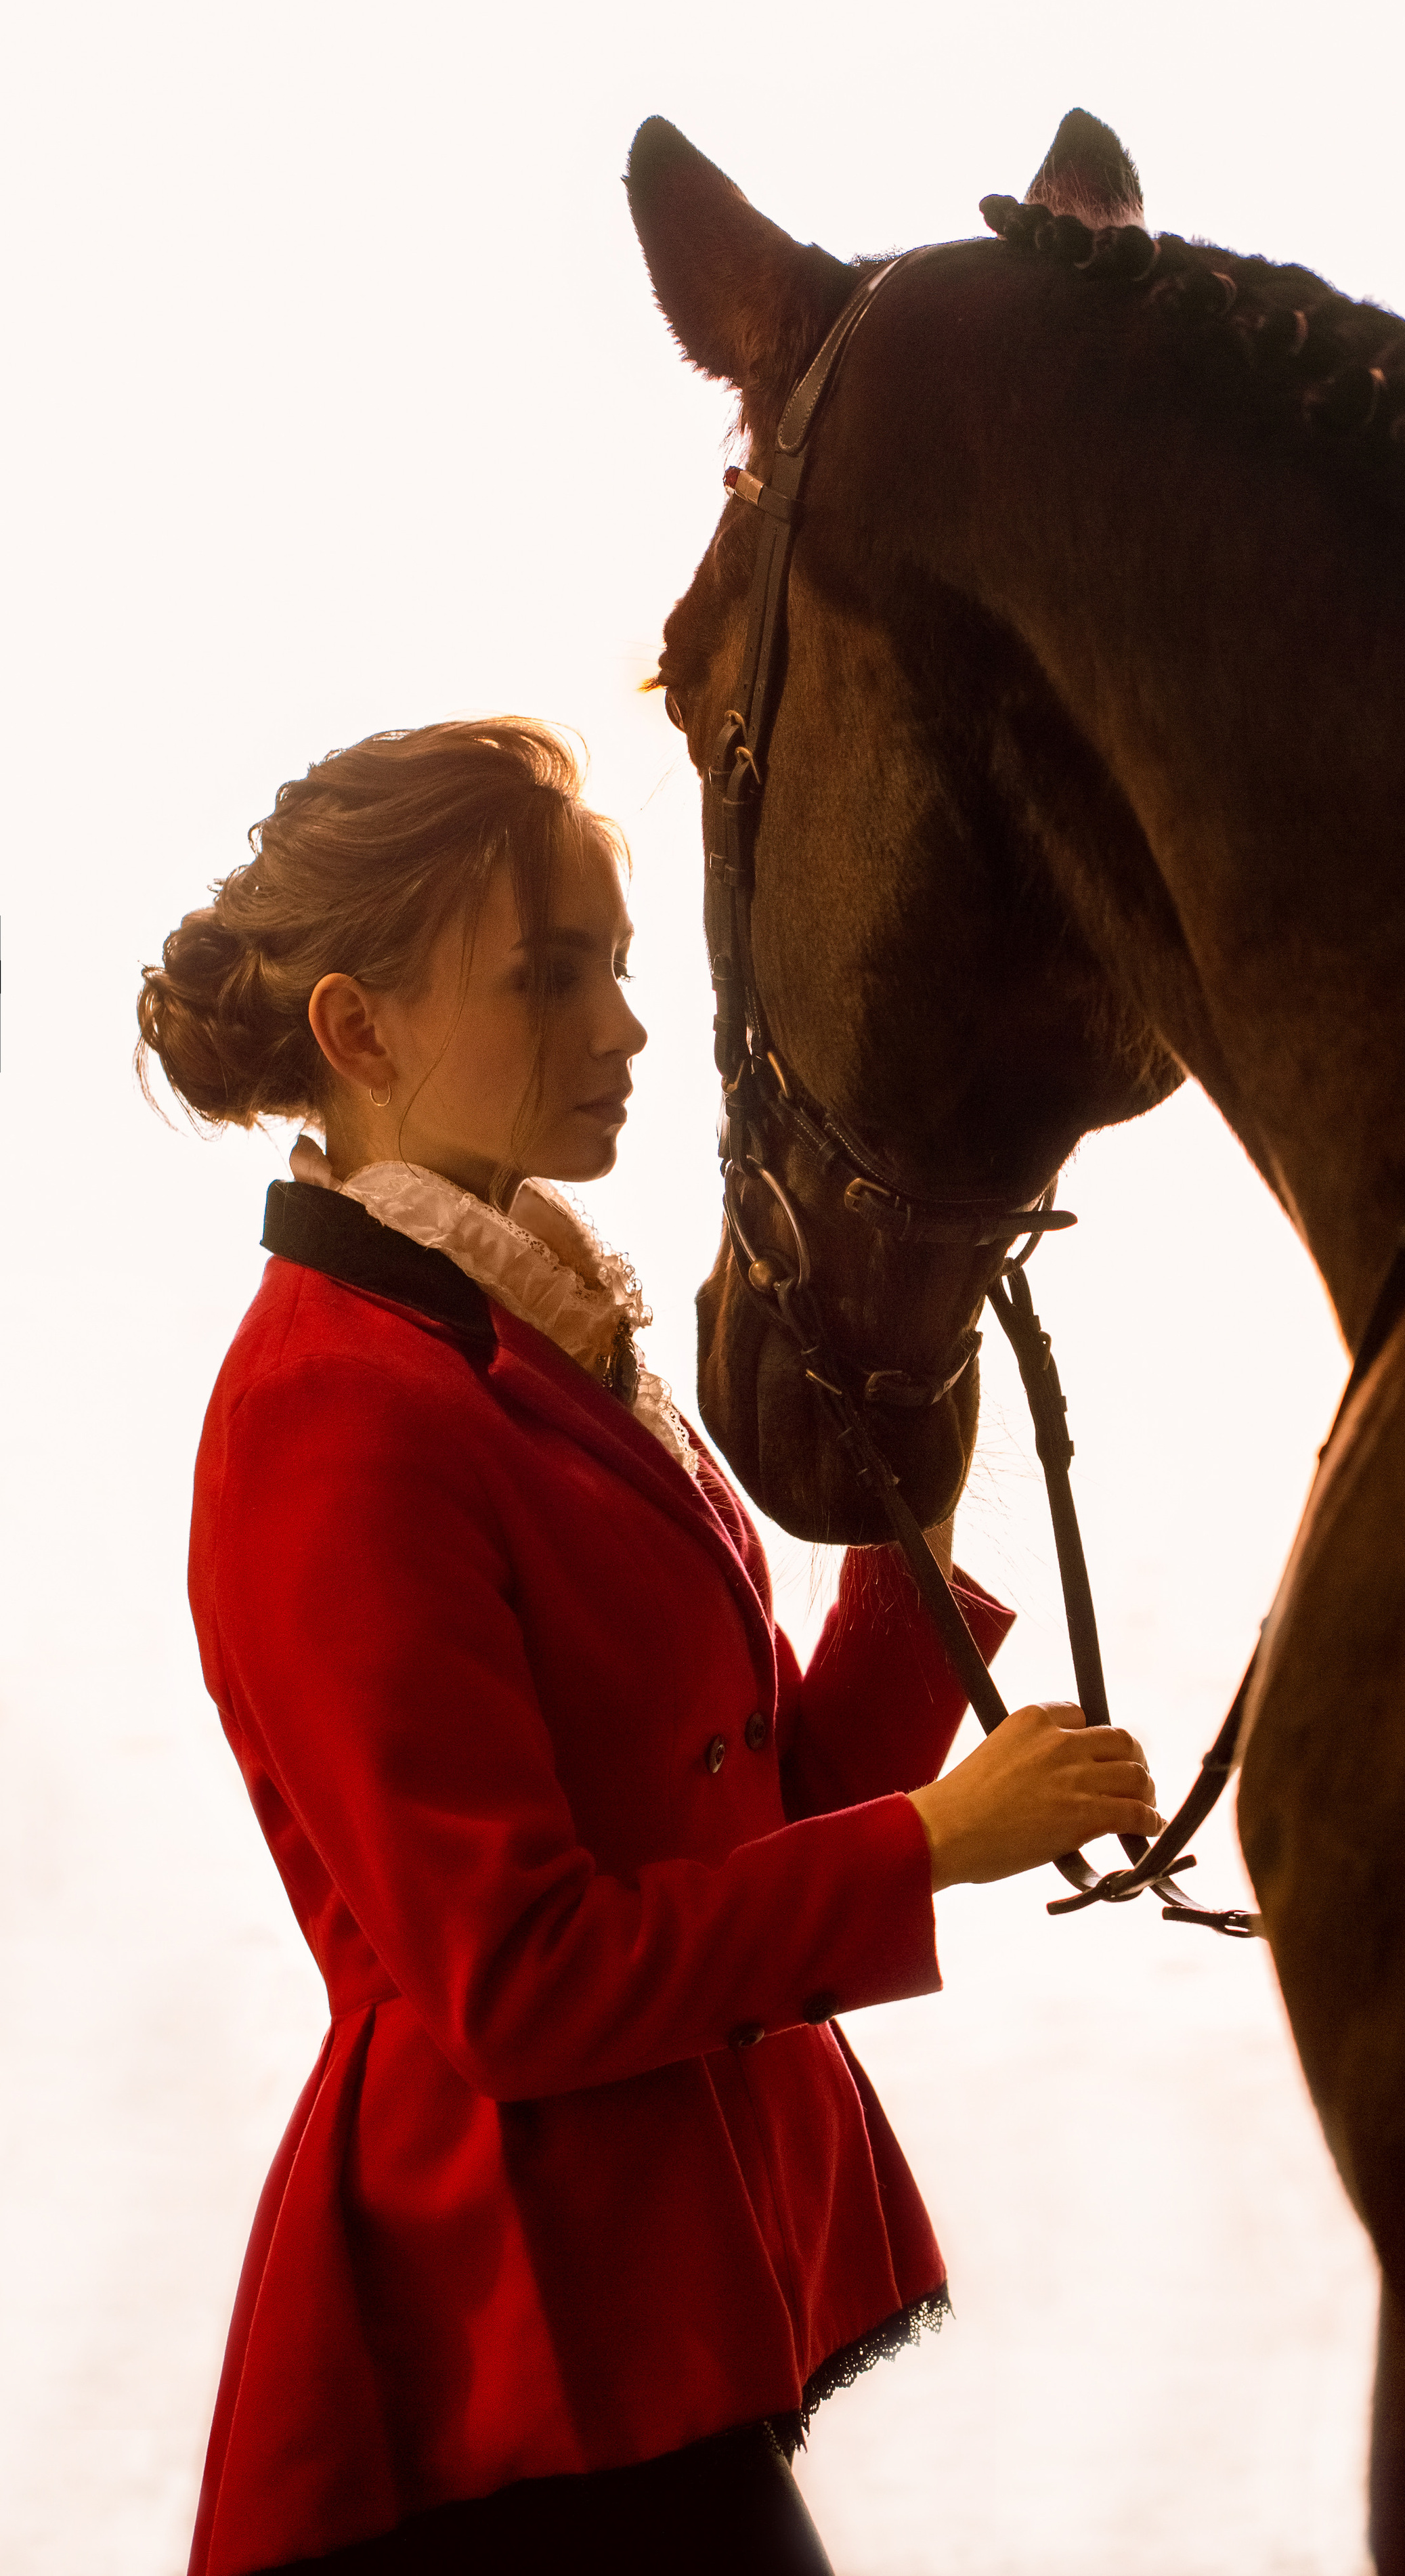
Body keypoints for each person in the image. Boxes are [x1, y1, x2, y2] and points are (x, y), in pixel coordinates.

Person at [137, 717, 1157, 2576]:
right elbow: (516, 1981)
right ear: (357, 1035)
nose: (622, 1028)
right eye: (550, 975)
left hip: (649, 2305)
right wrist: (935, 1842)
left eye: (618, 967)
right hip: (500, 2338)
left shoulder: (535, 1339)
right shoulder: (334, 1410)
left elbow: (737, 1831)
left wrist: (906, 1557)